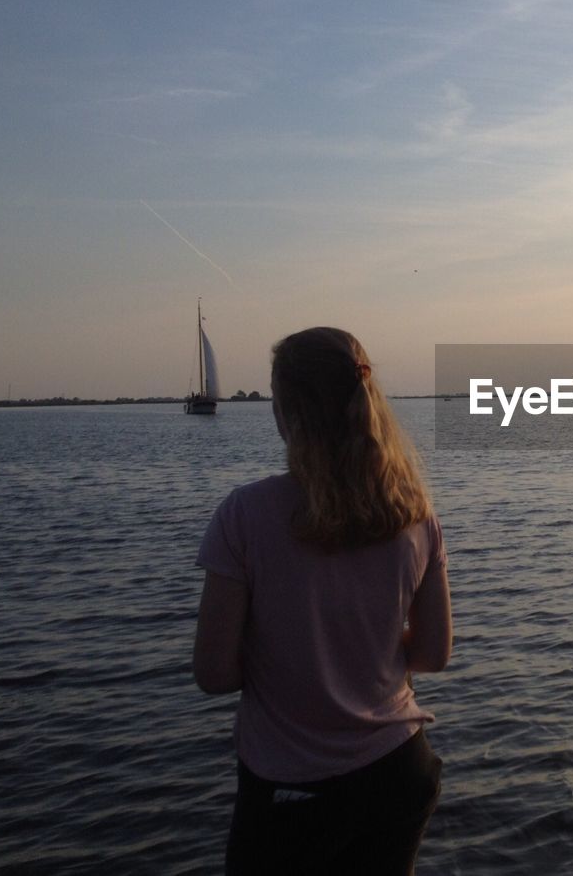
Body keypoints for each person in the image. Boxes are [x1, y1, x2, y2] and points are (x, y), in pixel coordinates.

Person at [193, 326, 451, 875]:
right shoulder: (415, 513)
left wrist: (296, 650)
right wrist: (369, 642)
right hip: (400, 773)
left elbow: (214, 672)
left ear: (289, 413)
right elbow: (432, 655)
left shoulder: (243, 516)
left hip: (293, 793)